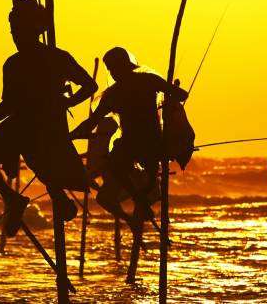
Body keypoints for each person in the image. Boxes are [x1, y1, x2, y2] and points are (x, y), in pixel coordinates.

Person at [0, 0, 97, 237]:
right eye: (12, 31)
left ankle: (59, 199)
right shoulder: (13, 64)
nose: (15, 36)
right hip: (20, 125)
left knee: (45, 164)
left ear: (35, 30)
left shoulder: (57, 57)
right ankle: (13, 199)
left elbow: (89, 86)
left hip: (47, 127)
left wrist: (65, 104)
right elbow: (8, 106)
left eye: (19, 30)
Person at [70, 47, 188, 226]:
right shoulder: (125, 89)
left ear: (125, 65)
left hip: (145, 143)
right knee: (119, 165)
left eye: (114, 68)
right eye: (110, 69)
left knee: (121, 166)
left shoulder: (139, 83)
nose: (113, 73)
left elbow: (91, 122)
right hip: (142, 143)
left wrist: (171, 97)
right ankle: (140, 197)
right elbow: (91, 122)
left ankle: (140, 196)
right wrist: (73, 134)